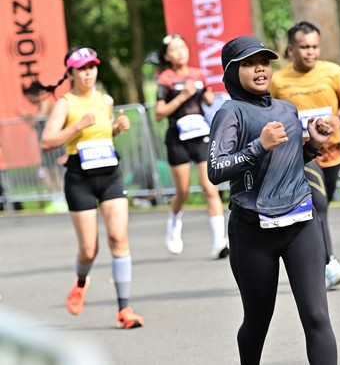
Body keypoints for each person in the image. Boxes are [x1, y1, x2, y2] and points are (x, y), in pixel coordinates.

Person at [208, 36, 338, 365]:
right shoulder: (230, 112)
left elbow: (291, 162)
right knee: (257, 321)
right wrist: (258, 146)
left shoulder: (286, 109)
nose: (260, 69)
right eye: (249, 64)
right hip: (252, 232)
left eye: (264, 62)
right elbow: (216, 170)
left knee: (317, 316)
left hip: (301, 223)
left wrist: (313, 145)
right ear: (232, 71)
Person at [40, 46, 144, 329]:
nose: (88, 73)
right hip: (80, 178)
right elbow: (47, 142)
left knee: (118, 238)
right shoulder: (65, 104)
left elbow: (104, 132)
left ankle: (124, 308)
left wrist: (117, 128)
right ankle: (81, 282)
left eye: (92, 67)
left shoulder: (105, 99)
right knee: (89, 250)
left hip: (110, 174)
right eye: (82, 69)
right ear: (70, 73)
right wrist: (77, 126)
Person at [269, 21, 340, 290]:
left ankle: (309, 263)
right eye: (304, 47)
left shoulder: (333, 71)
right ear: (291, 49)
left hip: (331, 151)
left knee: (321, 207)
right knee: (317, 204)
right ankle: (329, 264)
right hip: (300, 153)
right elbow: (270, 109)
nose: (311, 52)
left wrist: (338, 119)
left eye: (314, 47)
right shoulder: (278, 80)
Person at [154, 34, 229, 259]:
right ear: (167, 56)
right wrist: (182, 96)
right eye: (174, 50)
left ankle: (219, 242)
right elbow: (159, 113)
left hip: (200, 134)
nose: (180, 52)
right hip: (178, 137)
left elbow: (205, 96)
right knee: (183, 191)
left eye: (182, 47)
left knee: (210, 187)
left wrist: (207, 98)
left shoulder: (198, 74)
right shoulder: (165, 79)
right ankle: (174, 221)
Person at [21, 80, 67, 212]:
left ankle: (61, 200)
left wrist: (27, 116)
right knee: (46, 173)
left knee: (54, 173)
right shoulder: (40, 107)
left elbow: (39, 117)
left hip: (53, 147)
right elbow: (35, 124)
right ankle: (56, 200)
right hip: (46, 148)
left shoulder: (45, 104)